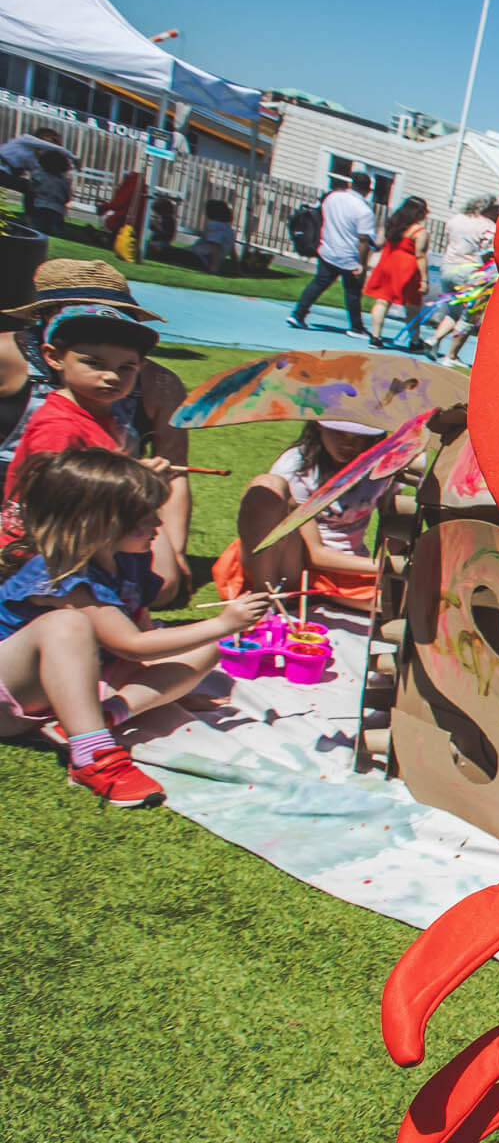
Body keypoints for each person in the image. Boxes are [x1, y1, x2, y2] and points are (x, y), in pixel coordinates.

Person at [0, 448, 275, 807]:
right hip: (10, 698)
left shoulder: (124, 561)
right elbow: (132, 645)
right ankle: (92, 756)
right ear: (97, 523)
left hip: (64, 687)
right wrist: (224, 623)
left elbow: (144, 633)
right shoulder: (61, 573)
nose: (157, 525)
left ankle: (101, 717)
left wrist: (170, 681)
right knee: (66, 625)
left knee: (204, 648)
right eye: (143, 517)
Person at [0, 260, 195, 604]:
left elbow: (176, 472)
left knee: (161, 585)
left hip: (102, 514)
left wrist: (175, 550)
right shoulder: (53, 416)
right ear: (48, 319)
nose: (112, 375)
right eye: (94, 361)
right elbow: (53, 500)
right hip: (47, 529)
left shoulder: (153, 383)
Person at [211, 420, 387, 609]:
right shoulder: (296, 466)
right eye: (339, 433)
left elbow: (393, 524)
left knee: (404, 603)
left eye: (359, 437)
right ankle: (266, 597)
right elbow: (315, 555)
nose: (348, 444)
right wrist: (386, 567)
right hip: (292, 561)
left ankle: (318, 596)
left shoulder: (384, 465)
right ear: (319, 426)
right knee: (266, 485)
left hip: (349, 568)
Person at [287, 173, 377, 335]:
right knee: (352, 291)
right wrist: (362, 264)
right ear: (367, 191)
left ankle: (298, 314)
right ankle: (356, 327)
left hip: (328, 249)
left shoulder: (333, 197)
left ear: (351, 184)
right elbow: (364, 240)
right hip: (348, 255)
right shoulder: (364, 211)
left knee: (318, 283)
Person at [362, 197, 430, 347]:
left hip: (388, 263)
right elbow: (420, 256)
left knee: (382, 301)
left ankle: (375, 336)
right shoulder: (419, 232)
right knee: (412, 306)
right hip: (407, 268)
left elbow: (379, 242)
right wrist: (424, 280)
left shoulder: (391, 225)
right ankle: (414, 340)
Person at [439, 194, 499, 294]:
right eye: (496, 209)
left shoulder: (455, 219)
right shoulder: (488, 225)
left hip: (447, 267)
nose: (498, 212)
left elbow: (448, 239)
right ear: (488, 209)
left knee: (449, 305)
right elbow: (487, 251)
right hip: (469, 270)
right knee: (469, 307)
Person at [20, 148, 73, 236]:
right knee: (56, 230)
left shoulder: (39, 175)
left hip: (40, 205)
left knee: (37, 229)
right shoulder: (64, 181)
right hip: (57, 209)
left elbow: (31, 189)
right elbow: (67, 197)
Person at [194, 198, 237, 274]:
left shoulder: (214, 225)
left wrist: (214, 267)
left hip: (199, 257)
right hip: (206, 258)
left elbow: (215, 245)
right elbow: (232, 251)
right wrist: (237, 269)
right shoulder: (229, 230)